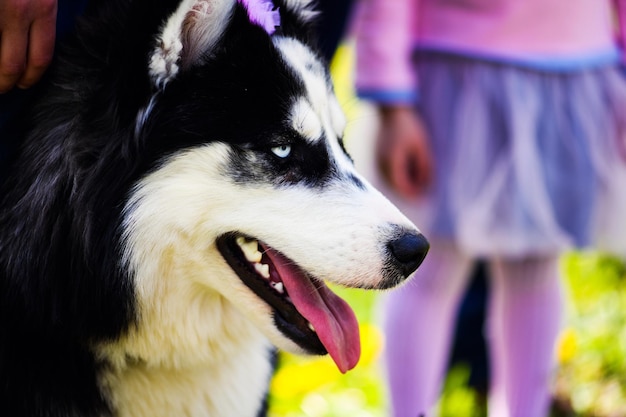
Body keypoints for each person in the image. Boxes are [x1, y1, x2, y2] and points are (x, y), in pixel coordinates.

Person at [354, 1, 626, 416]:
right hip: (454, 75)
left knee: (535, 268)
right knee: (430, 268)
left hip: (572, 74)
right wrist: (394, 101)